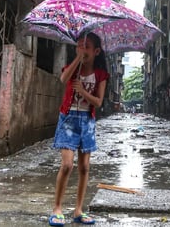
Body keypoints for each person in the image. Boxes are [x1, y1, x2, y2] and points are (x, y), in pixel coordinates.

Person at [48, 32, 109, 226]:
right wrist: (77, 59)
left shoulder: (101, 75)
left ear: (96, 51)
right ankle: (57, 208)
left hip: (87, 121)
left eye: (87, 46)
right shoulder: (72, 68)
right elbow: (63, 78)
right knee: (67, 165)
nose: (82, 49)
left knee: (84, 167)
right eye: (79, 46)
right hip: (68, 119)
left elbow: (98, 102)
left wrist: (82, 91)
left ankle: (78, 210)